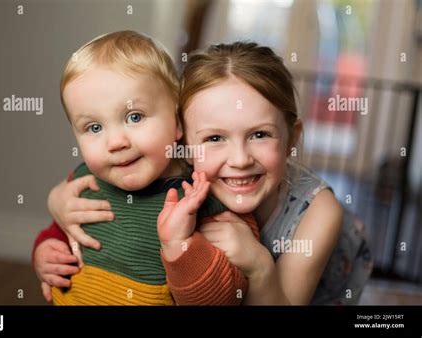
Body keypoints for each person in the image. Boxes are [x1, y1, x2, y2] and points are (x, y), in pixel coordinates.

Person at [39, 41, 372, 305]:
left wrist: (258, 266)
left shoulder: (319, 212)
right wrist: (58, 202)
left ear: (292, 138)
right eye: (214, 138)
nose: (239, 159)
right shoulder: (176, 167)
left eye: (260, 134)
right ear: (179, 133)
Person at [33, 31, 259, 305]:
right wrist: (45, 252)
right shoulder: (84, 182)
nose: (115, 142)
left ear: (177, 123)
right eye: (94, 127)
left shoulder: (201, 195)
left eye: (134, 116)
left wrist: (179, 245)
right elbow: (60, 232)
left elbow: (222, 299)